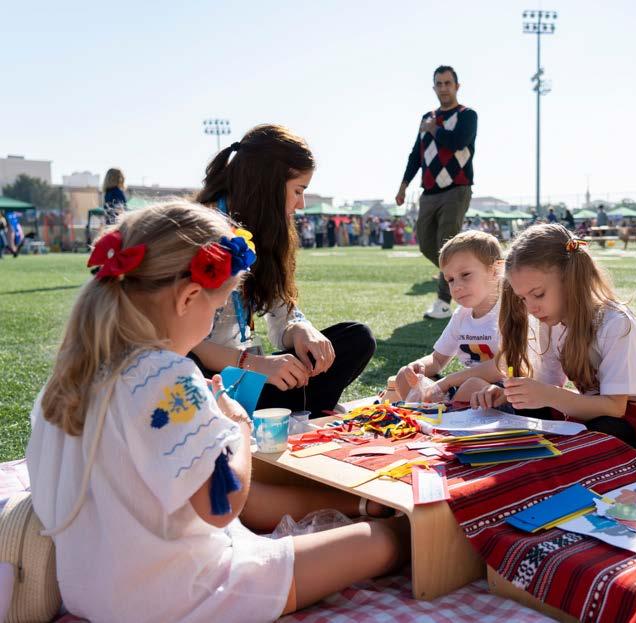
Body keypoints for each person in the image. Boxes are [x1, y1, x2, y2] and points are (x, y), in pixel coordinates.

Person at [26, 203, 406, 622]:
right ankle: (387, 524)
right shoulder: (166, 376)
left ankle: (360, 507)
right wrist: (236, 427)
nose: (211, 326)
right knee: (383, 542)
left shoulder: (66, 382)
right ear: (189, 297)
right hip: (183, 597)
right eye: (217, 308)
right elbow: (222, 503)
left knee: (294, 523)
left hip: (92, 593)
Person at [468, 223, 636, 472]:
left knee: (604, 430)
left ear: (570, 280)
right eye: (522, 298)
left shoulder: (615, 322)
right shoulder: (550, 322)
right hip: (609, 412)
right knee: (536, 414)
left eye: (538, 294)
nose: (531, 307)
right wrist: (512, 396)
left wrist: (547, 395)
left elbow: (615, 408)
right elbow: (547, 388)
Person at [191, 124, 376, 416]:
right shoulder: (200, 231)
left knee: (356, 338)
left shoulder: (266, 231)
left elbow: (281, 316)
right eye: (297, 191)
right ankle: (299, 406)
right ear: (268, 184)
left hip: (245, 374)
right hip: (201, 377)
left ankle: (287, 406)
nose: (301, 203)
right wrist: (255, 364)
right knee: (191, 367)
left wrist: (300, 330)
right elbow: (184, 343)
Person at [396, 65, 478, 320]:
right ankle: (464, 272)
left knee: (446, 243)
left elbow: (458, 142)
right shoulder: (427, 117)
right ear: (434, 87)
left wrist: (433, 129)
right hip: (429, 191)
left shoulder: (467, 115)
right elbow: (416, 155)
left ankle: (443, 302)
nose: (443, 88)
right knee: (425, 243)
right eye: (439, 84)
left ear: (457, 86)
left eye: (448, 83)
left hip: (457, 188)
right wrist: (404, 184)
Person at [394, 231, 503, 401]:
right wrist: (419, 366)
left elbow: (501, 367)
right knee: (404, 376)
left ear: (495, 271)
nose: (456, 286)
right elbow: (438, 360)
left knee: (472, 386)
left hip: (503, 391)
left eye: (465, 275)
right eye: (450, 280)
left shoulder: (508, 312)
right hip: (463, 386)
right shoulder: (462, 314)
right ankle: (436, 412)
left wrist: (447, 382)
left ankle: (447, 411)